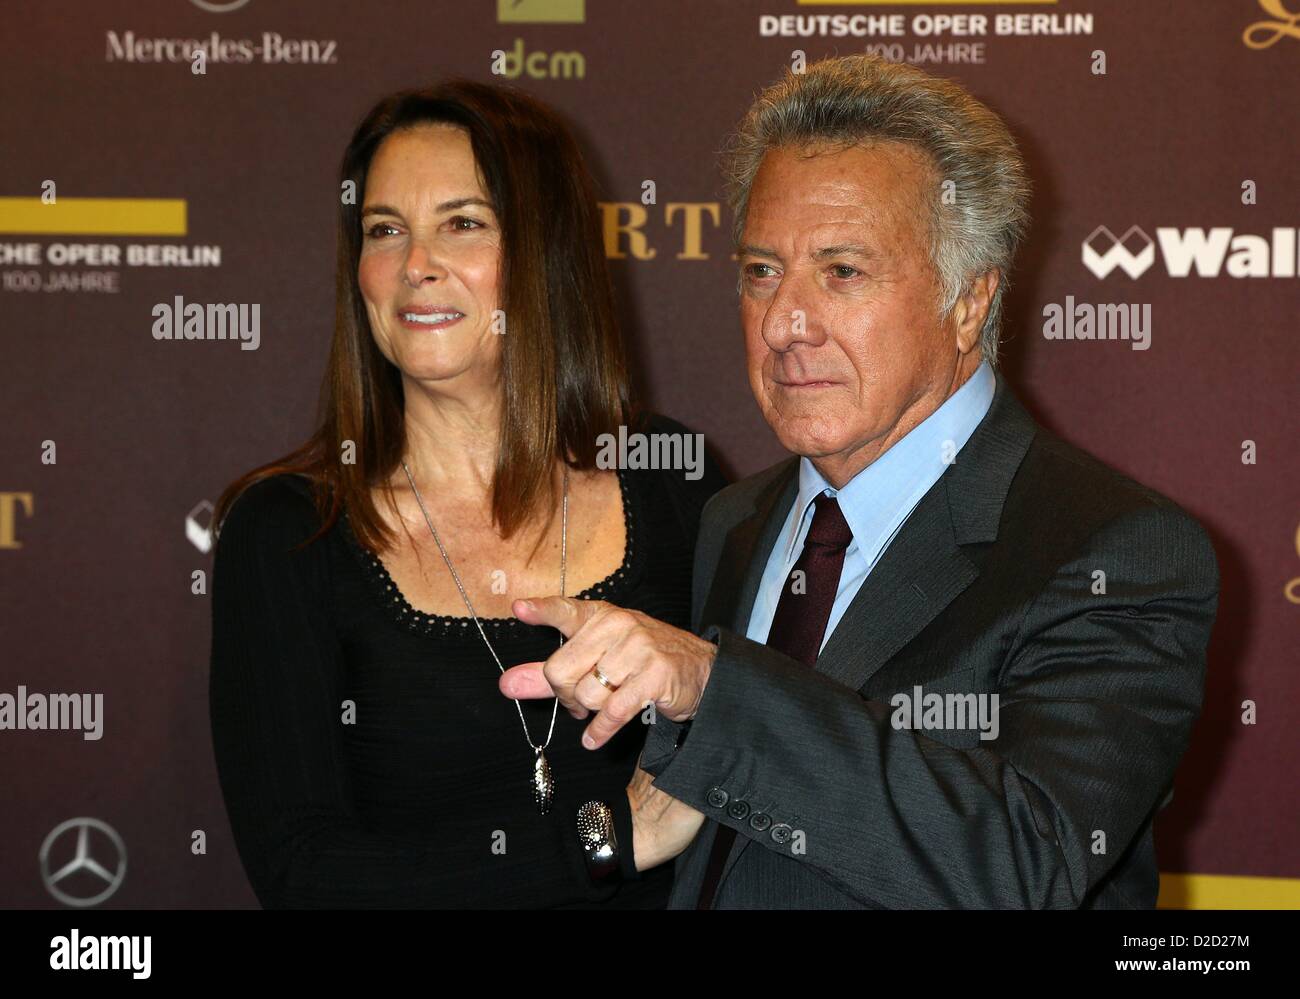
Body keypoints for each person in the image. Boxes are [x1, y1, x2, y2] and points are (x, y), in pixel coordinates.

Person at [501, 55, 1220, 908]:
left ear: (970, 302)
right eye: (762, 271)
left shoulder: (1117, 547)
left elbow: (1027, 860)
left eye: (842, 272)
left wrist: (716, 688)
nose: (784, 323)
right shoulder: (736, 519)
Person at [207, 79, 724, 908]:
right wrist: (608, 833)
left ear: (543, 249)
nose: (416, 265)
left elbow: (773, 759)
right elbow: (306, 878)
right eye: (385, 230)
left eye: (464, 223)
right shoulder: (287, 535)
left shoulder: (676, 479)